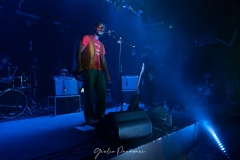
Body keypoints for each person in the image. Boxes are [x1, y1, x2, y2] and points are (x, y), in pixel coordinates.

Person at [75, 22, 110, 126]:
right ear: (95, 28)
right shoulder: (87, 38)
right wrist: (80, 66)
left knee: (102, 93)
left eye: (104, 27)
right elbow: (79, 52)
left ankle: (100, 116)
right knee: (89, 94)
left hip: (99, 71)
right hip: (89, 69)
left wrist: (107, 73)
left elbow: (103, 60)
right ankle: (89, 117)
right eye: (100, 26)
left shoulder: (102, 45)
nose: (102, 28)